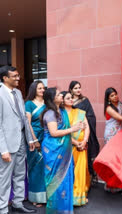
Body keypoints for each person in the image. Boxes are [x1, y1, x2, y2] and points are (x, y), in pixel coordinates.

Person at [40, 88, 83, 214]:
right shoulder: (50, 113)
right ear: (52, 98)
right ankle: (55, 210)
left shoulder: (62, 111)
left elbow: (66, 133)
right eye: (58, 94)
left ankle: (66, 210)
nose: (61, 96)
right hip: (53, 150)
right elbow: (54, 133)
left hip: (65, 150)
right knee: (56, 180)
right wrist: (74, 129)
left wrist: (76, 142)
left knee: (67, 179)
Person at [0, 65, 36, 214]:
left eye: (18, 75)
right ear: (5, 78)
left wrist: (30, 140)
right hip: (7, 144)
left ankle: (17, 203)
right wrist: (3, 149)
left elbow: (23, 118)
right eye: (14, 76)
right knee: (5, 177)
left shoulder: (18, 92)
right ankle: (2, 208)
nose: (18, 78)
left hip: (21, 140)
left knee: (21, 173)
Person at [61, 91, 91, 206]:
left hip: (82, 146)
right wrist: (75, 142)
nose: (71, 100)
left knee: (81, 171)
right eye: (68, 98)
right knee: (70, 172)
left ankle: (79, 196)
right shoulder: (61, 114)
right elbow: (63, 131)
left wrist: (84, 141)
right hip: (68, 147)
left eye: (71, 98)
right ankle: (70, 196)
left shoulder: (79, 112)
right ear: (62, 101)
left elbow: (86, 127)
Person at [69, 81, 100, 183]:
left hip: (84, 131)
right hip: (72, 133)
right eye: (75, 88)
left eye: (79, 88)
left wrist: (84, 122)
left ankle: (87, 179)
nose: (78, 90)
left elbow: (91, 115)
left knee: (87, 155)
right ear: (71, 90)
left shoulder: (84, 100)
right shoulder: (68, 101)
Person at [25, 81, 47, 207]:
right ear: (34, 89)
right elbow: (28, 123)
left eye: (43, 88)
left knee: (46, 167)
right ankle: (35, 196)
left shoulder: (46, 103)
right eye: (39, 88)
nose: (42, 90)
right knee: (35, 168)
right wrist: (34, 140)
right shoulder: (29, 104)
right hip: (34, 138)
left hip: (47, 137)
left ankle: (44, 196)